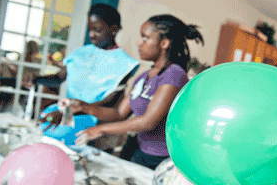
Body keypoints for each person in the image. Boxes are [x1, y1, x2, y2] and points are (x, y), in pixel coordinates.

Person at [69, 14, 204, 170]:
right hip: (139, 150)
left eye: (145, 38)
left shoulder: (174, 75)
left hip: (162, 160)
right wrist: (84, 107)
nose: (139, 43)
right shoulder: (144, 76)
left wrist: (100, 129)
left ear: (164, 43)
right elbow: (119, 113)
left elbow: (147, 122)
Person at [35, 3, 139, 129]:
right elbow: (58, 78)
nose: (91, 35)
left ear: (114, 29)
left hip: (92, 122)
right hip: (65, 113)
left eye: (98, 30)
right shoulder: (81, 53)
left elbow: (109, 102)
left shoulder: (125, 63)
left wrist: (68, 113)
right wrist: (34, 79)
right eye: (90, 29)